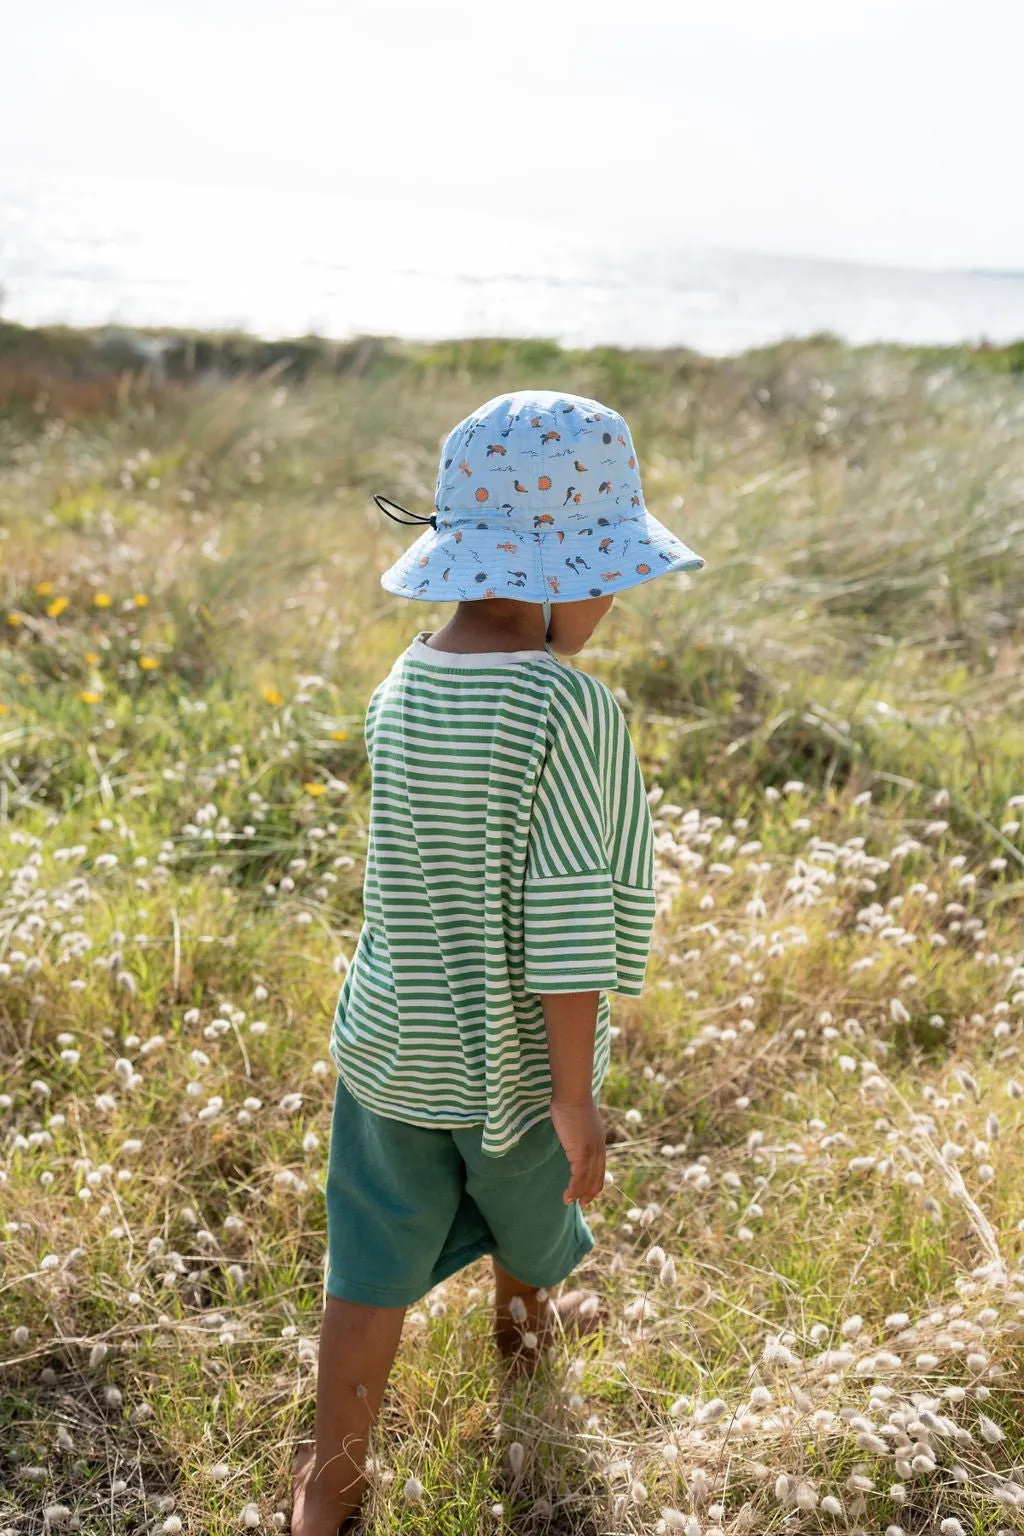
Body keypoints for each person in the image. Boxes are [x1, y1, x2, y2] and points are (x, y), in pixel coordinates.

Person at [291, 389, 704, 1534]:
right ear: (555, 571)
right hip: (513, 1063)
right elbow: (567, 920)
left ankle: (325, 1494)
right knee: (530, 1219)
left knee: (365, 1265)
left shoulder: (405, 681)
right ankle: (521, 1356)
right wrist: (574, 1098)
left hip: (387, 1040)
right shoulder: (566, 710)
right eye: (609, 573)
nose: (613, 599)